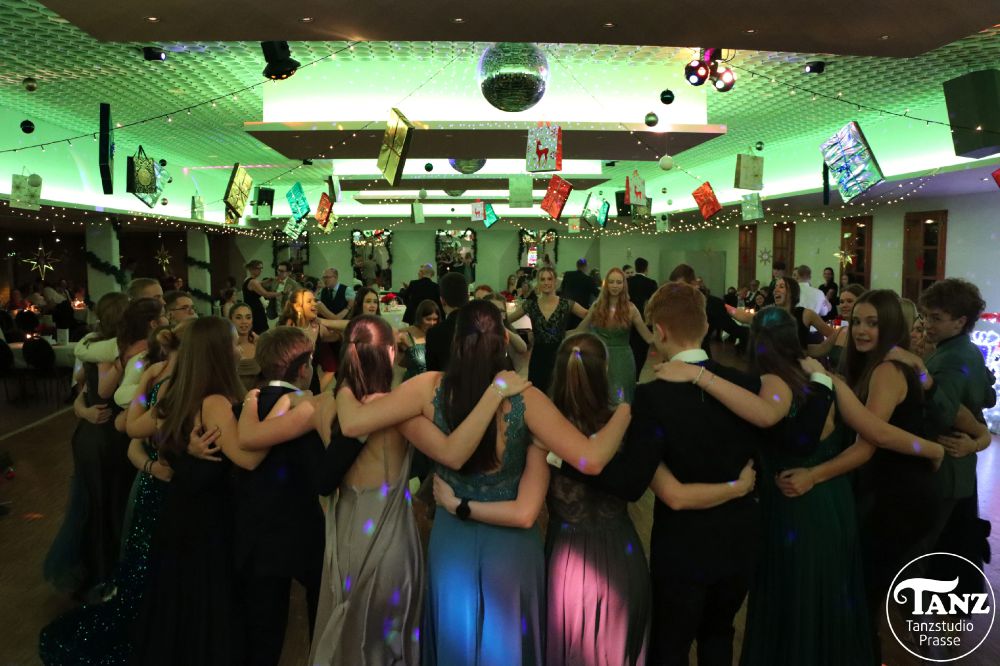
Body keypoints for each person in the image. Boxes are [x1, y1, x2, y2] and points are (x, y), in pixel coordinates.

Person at [330, 300, 633, 666]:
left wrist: (344, 387)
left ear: (456, 342)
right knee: (507, 647)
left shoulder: (427, 388)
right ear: (503, 340)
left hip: (452, 542)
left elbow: (352, 424)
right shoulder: (526, 398)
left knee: (455, 639)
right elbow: (591, 459)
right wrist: (625, 410)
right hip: (512, 546)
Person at [655, 306, 948, 666]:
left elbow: (775, 427)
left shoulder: (767, 384)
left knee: (793, 599)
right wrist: (931, 449)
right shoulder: (828, 381)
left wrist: (697, 376)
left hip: (791, 506)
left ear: (756, 342)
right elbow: (878, 434)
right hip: (832, 504)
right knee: (827, 596)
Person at [529, 331, 754, 666]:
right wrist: (737, 487)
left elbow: (530, 507)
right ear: (605, 371)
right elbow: (669, 491)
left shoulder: (542, 432)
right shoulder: (624, 424)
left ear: (557, 372)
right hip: (622, 556)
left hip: (567, 563)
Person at [39, 326, 192, 666]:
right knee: (146, 560)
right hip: (154, 481)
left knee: (147, 560)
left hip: (150, 477)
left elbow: (130, 429)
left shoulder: (158, 374)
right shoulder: (159, 377)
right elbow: (128, 427)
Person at [632, 283, 764, 666]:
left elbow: (653, 484)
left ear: (659, 332)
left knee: (670, 647)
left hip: (682, 547)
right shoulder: (744, 384)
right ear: (706, 326)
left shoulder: (651, 397)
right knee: (719, 636)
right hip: (737, 540)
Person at [132, 316, 261, 666]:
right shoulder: (214, 401)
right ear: (217, 352)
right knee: (207, 607)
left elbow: (134, 426)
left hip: (178, 517)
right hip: (207, 523)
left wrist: (144, 385)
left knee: (181, 609)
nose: (239, 350)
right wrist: (281, 411)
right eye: (232, 344)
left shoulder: (174, 395)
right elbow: (248, 459)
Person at [44, 293, 130, 597]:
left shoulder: (94, 345)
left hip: (93, 433)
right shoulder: (111, 350)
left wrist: (82, 407)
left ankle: (104, 571)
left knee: (100, 503)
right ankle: (105, 574)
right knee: (106, 505)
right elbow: (103, 390)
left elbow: (81, 380)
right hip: (105, 437)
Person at [576, 268, 653, 404]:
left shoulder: (631, 309)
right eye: (611, 282)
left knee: (621, 399)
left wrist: (668, 337)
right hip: (600, 359)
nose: (615, 286)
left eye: (619, 282)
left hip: (622, 361)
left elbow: (648, 337)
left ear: (624, 285)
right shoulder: (597, 306)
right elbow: (581, 329)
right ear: (606, 284)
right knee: (600, 398)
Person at [507, 267, 588, 393]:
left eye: (549, 279)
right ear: (538, 282)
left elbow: (588, 316)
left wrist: (574, 332)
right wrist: (517, 334)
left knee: (560, 395)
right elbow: (507, 320)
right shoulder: (531, 304)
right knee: (538, 395)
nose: (546, 282)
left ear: (555, 281)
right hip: (538, 358)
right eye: (542, 279)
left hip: (560, 357)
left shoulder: (566, 304)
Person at [731, 276, 834, 350]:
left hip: (797, 368)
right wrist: (724, 306)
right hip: (774, 367)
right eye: (775, 287)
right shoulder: (771, 313)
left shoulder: (805, 314)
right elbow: (745, 317)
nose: (775, 290)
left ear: (792, 292)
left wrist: (817, 350)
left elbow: (832, 334)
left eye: (781, 286)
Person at [280, 289, 341, 392]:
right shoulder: (287, 329)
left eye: (315, 300)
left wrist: (325, 316)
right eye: (309, 301)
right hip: (291, 389)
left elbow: (346, 329)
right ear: (297, 307)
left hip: (312, 386)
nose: (315, 304)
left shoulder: (317, 328)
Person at [807, 283, 866, 369]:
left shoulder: (865, 333)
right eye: (841, 302)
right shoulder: (841, 331)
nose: (844, 305)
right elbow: (819, 349)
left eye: (849, 301)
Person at [425, 272, 469, 373]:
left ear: (442, 300)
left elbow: (432, 373)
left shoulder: (434, 333)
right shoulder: (483, 327)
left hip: (447, 382)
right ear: (467, 297)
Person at [627, 257, 658, 376]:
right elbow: (655, 304)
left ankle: (630, 372)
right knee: (641, 350)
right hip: (644, 321)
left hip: (628, 319)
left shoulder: (628, 281)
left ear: (635, 267)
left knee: (630, 346)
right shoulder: (651, 283)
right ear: (646, 268)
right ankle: (636, 374)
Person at [398, 299, 440, 380]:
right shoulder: (406, 333)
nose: (432, 323)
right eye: (428, 319)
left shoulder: (438, 334)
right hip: (413, 382)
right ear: (420, 318)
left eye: (435, 319)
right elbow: (399, 363)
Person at [228, 303, 261, 392]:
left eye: (248, 317)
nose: (244, 321)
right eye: (238, 318)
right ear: (230, 320)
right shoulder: (225, 347)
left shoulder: (259, 344)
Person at [560, 258, 600, 329]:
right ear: (586, 267)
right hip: (580, 313)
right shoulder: (588, 279)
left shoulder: (567, 275)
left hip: (565, 310)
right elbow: (597, 293)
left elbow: (562, 289)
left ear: (577, 266)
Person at [242, 260, 278, 334]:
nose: (261, 270)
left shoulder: (248, 279)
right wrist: (281, 293)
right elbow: (266, 294)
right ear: (252, 269)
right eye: (258, 268)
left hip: (251, 308)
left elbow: (259, 283)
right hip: (256, 310)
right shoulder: (253, 282)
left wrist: (268, 280)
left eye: (261, 268)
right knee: (261, 331)